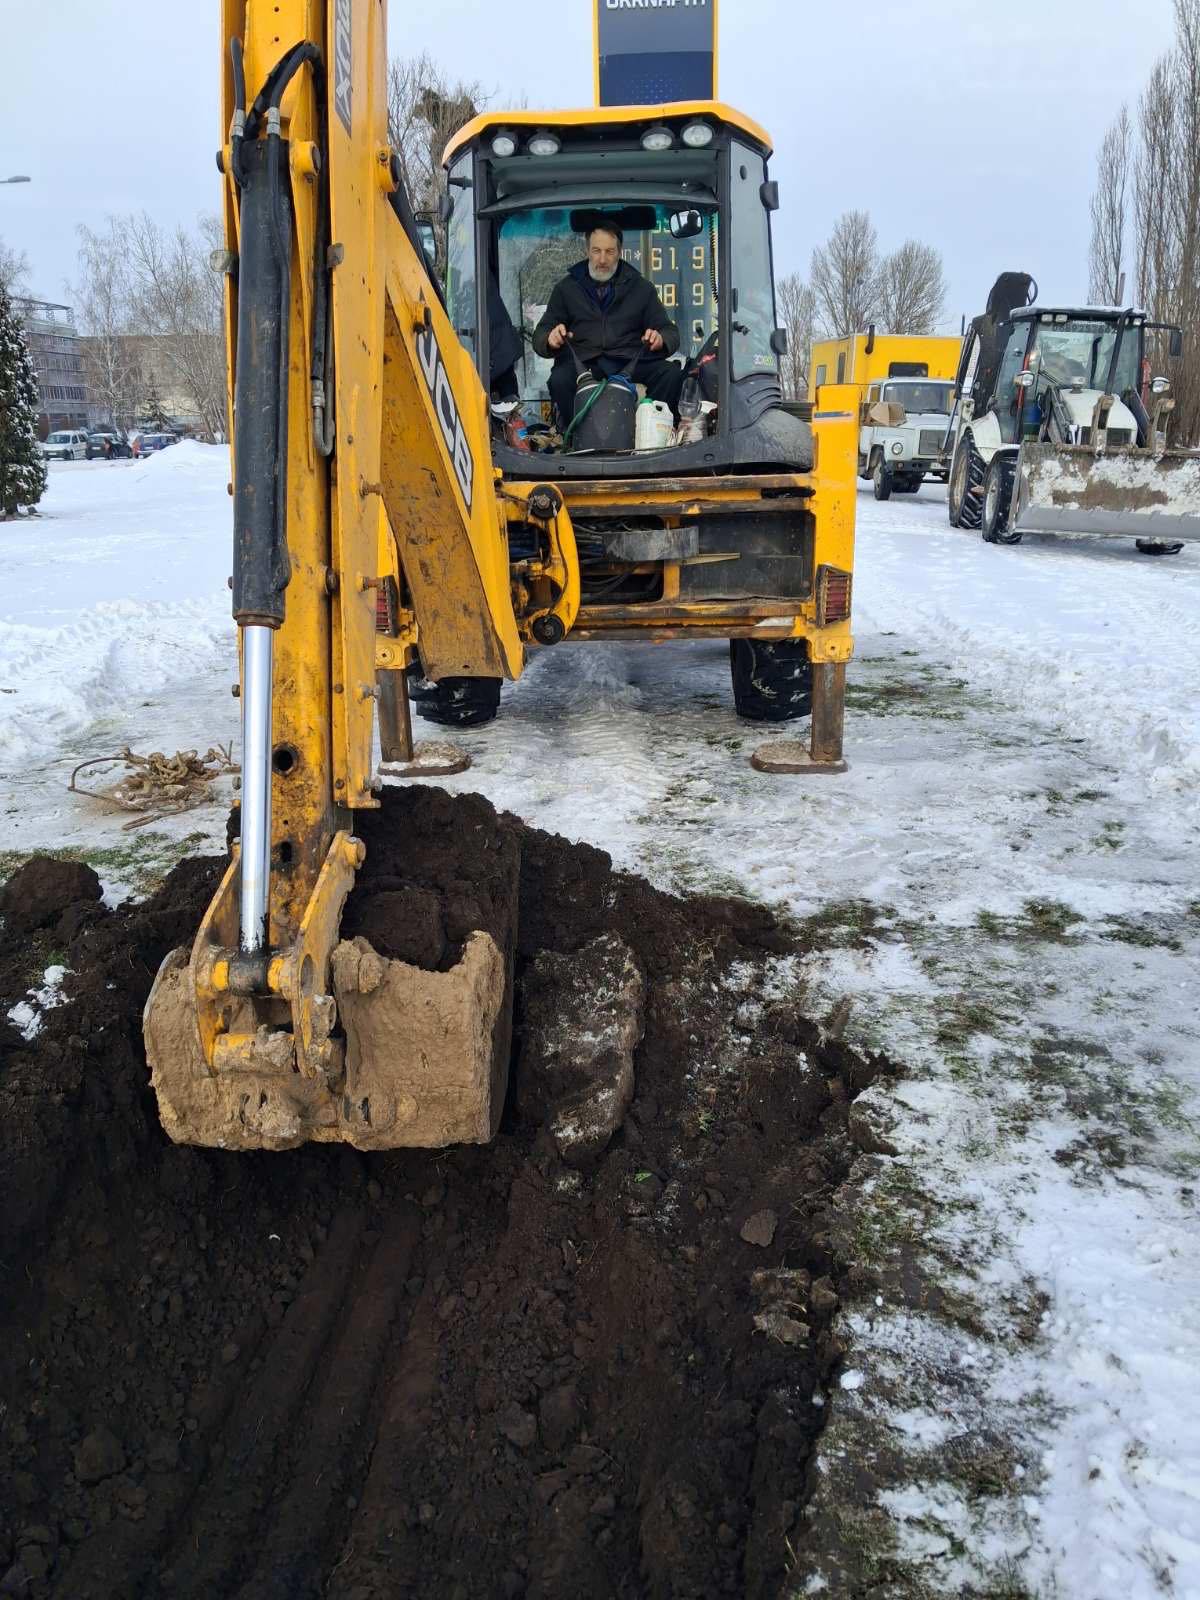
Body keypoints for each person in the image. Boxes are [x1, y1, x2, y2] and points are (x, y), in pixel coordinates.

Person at [532, 223, 684, 429]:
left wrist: (660, 339)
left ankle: (651, 434)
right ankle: (576, 437)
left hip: (630, 360)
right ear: (587, 251)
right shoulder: (565, 289)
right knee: (559, 379)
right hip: (584, 363)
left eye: (609, 251)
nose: (602, 259)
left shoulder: (641, 288)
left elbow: (669, 331)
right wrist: (550, 339)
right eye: (596, 251)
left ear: (619, 252)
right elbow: (541, 333)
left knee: (670, 374)